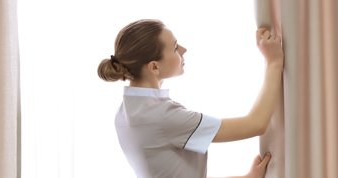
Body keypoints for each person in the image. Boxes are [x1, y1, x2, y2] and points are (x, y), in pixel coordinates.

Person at [97, 19, 283, 178]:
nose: (184, 50)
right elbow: (256, 124)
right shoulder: (162, 116)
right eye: (175, 47)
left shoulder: (126, 112)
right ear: (154, 67)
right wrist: (273, 62)